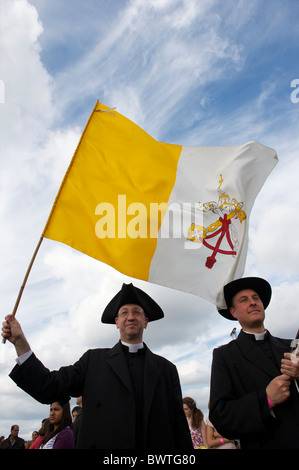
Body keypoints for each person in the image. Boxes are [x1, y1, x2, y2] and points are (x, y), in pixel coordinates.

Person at [2, 283, 193, 449]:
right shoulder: (92, 361)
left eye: (137, 312)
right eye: (124, 313)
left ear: (146, 321)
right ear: (117, 322)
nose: (131, 317)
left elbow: (179, 430)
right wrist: (20, 342)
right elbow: (49, 386)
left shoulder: (167, 370)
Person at [209, 277, 299, 449]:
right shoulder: (224, 355)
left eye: (256, 298)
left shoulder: (291, 346)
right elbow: (221, 417)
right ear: (234, 313)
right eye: (244, 300)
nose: (252, 302)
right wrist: (265, 400)